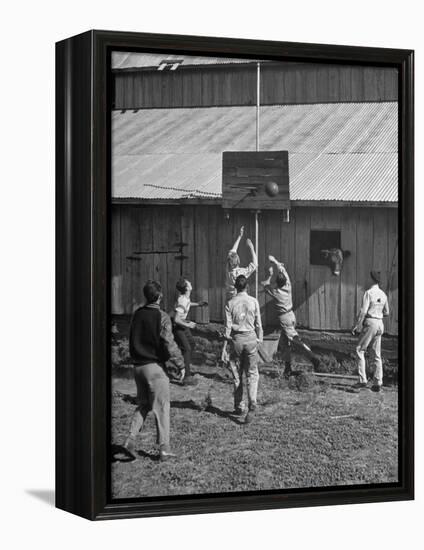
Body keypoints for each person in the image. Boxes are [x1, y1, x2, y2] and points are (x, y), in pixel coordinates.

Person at [123, 280, 185, 461]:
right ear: (159, 296)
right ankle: (164, 448)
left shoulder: (136, 314)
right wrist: (180, 364)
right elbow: (169, 343)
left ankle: (130, 440)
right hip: (154, 369)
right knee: (162, 407)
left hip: (138, 368)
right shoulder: (162, 316)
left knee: (143, 405)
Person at [261, 255, 321, 377]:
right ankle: (287, 369)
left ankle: (313, 357)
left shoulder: (276, 292)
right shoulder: (288, 285)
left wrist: (270, 274)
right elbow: (283, 270)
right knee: (284, 344)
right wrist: (275, 261)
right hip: (291, 315)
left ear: (277, 283)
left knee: (295, 339)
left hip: (284, 318)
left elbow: (265, 284)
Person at [225, 274, 263, 424]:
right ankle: (252, 401)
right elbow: (258, 323)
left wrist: (224, 346)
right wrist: (259, 338)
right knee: (252, 372)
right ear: (247, 286)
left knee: (237, 373)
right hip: (251, 338)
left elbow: (227, 328)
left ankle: (239, 405)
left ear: (235, 287)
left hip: (237, 340)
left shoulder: (230, 303)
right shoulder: (253, 301)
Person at [352, 270, 389, 392]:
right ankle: (378, 382)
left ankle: (362, 380)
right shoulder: (383, 294)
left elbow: (363, 311)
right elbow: (387, 312)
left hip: (371, 322)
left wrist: (357, 326)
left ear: (371, 279)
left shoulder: (368, 293)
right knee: (376, 354)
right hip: (380, 323)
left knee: (359, 350)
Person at [172, 277, 208, 386]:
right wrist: (189, 324)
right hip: (178, 326)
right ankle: (187, 377)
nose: (191, 283)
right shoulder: (182, 299)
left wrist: (198, 304)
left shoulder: (185, 298)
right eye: (189, 283)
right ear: (187, 288)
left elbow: (187, 303)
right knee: (187, 348)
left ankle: (182, 367)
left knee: (191, 344)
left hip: (183, 325)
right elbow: (176, 319)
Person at [226, 225, 258, 301]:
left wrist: (240, 236)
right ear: (238, 261)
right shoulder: (241, 273)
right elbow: (255, 264)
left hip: (229, 298)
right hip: (239, 299)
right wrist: (252, 248)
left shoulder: (228, 269)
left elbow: (233, 251)